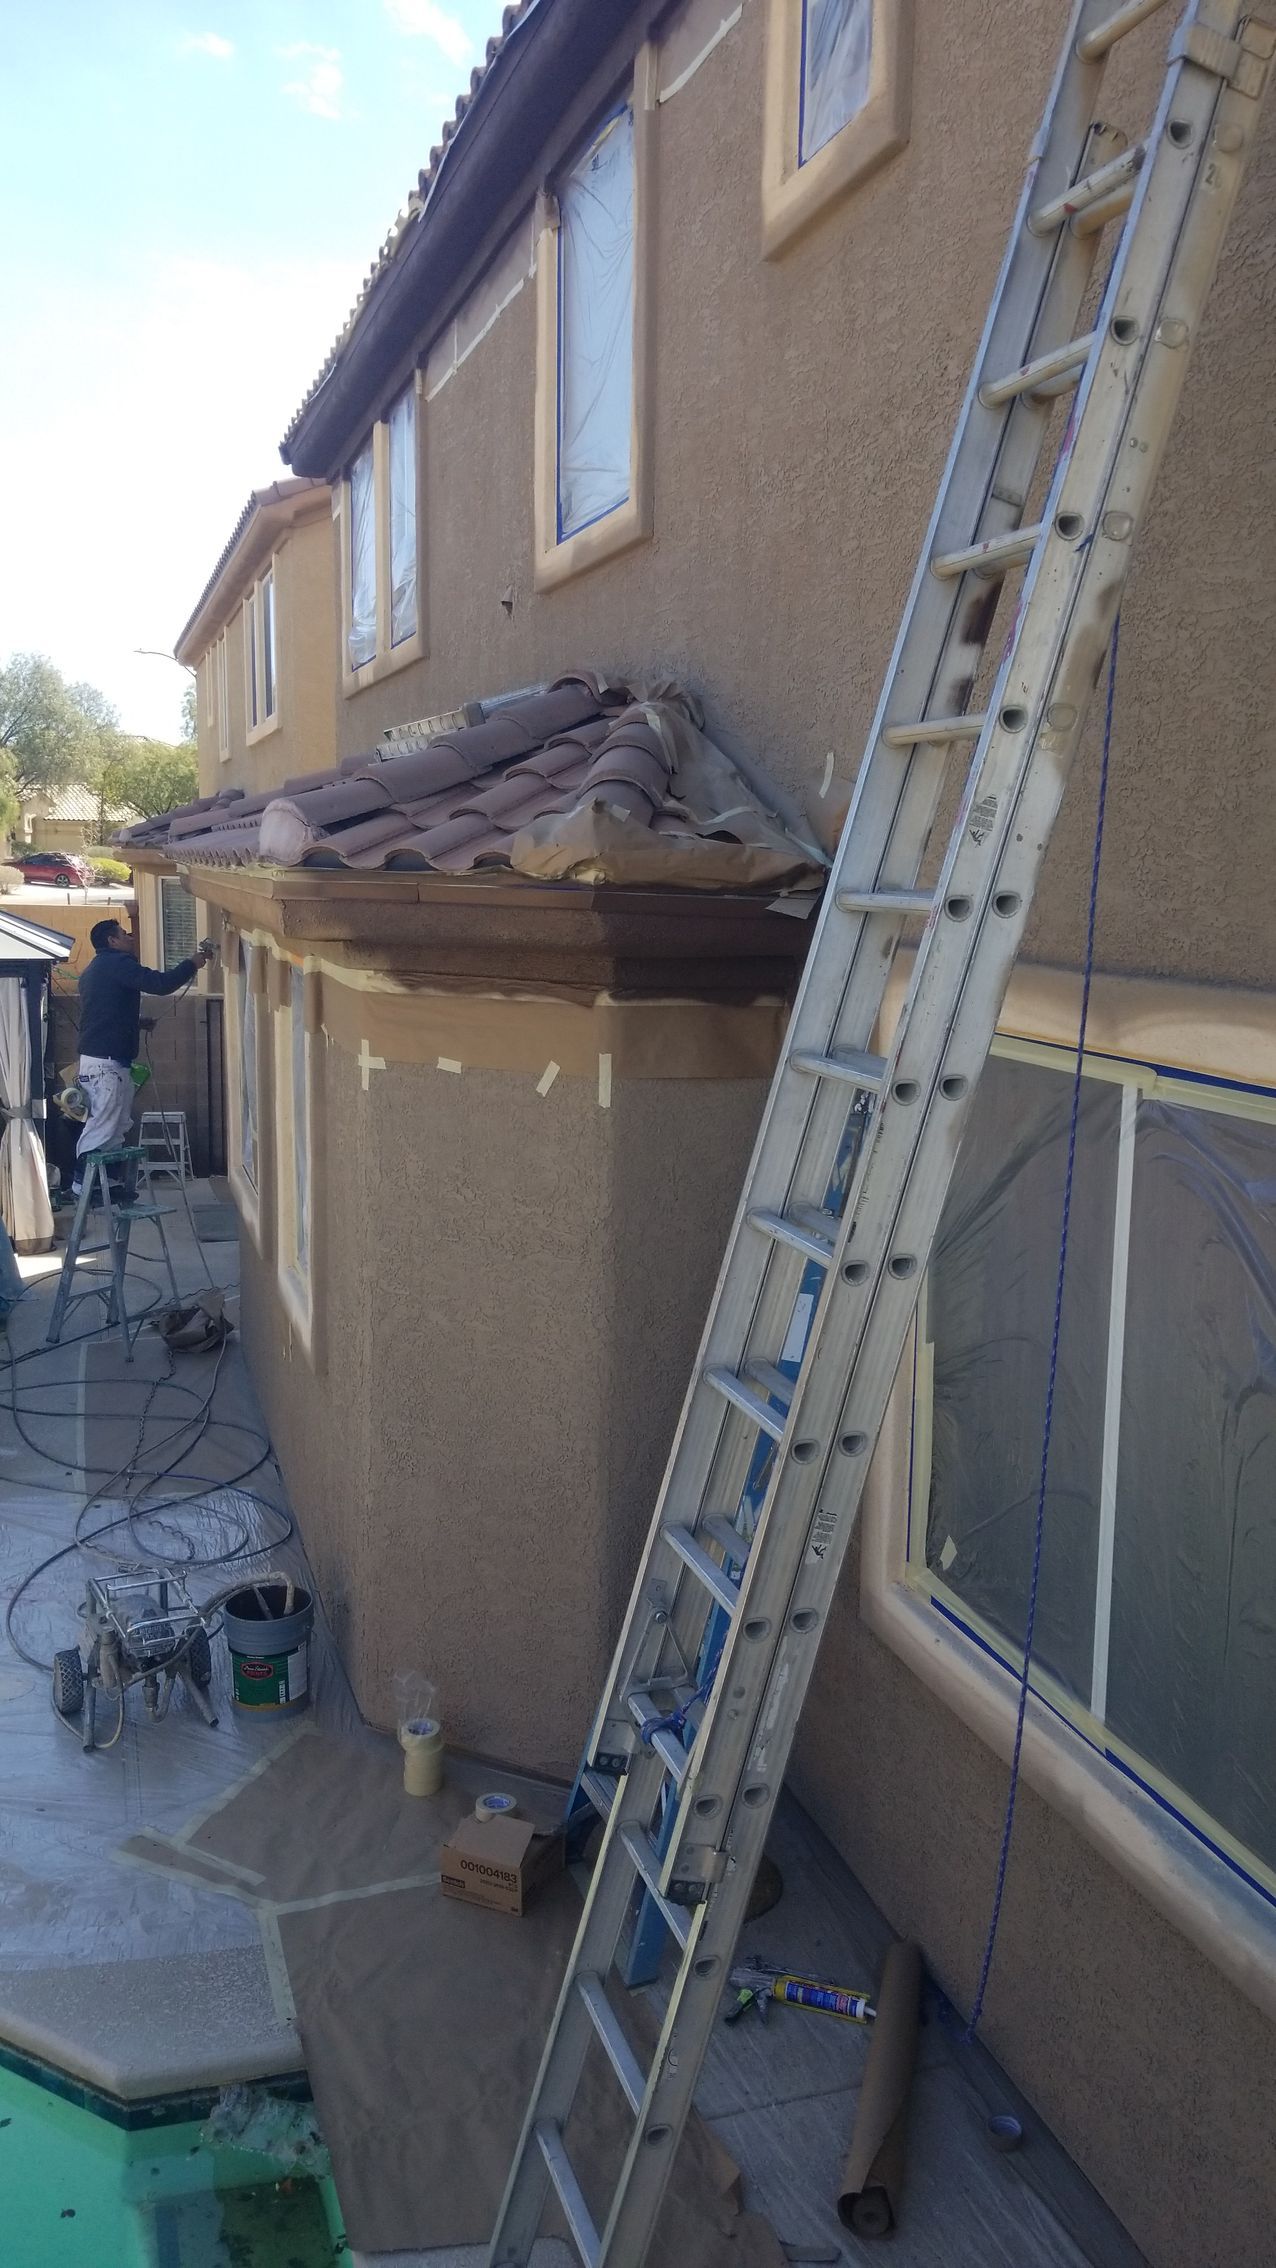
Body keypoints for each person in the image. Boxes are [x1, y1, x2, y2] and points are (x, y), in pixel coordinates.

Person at [74, 919, 211, 1192]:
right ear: (112, 941)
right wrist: (192, 964)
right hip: (106, 1064)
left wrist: (137, 1022)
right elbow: (160, 984)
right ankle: (83, 1185)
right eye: (124, 934)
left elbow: (103, 1014)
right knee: (103, 1126)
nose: (130, 937)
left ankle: (107, 1183)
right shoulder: (117, 964)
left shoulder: (96, 969)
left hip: (105, 1061)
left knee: (116, 1126)